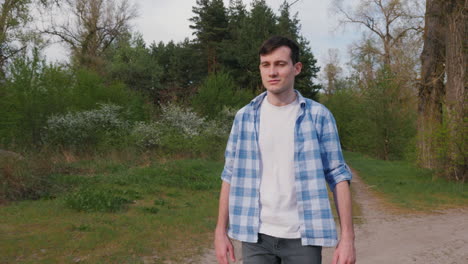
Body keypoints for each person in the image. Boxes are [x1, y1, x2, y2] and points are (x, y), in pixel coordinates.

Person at [214, 36, 356, 264]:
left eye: (280, 64)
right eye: (265, 65)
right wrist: (220, 232)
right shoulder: (245, 117)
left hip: (303, 238)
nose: (272, 72)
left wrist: (347, 238)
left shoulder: (319, 116)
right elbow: (229, 174)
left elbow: (339, 177)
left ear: (296, 68)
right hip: (255, 237)